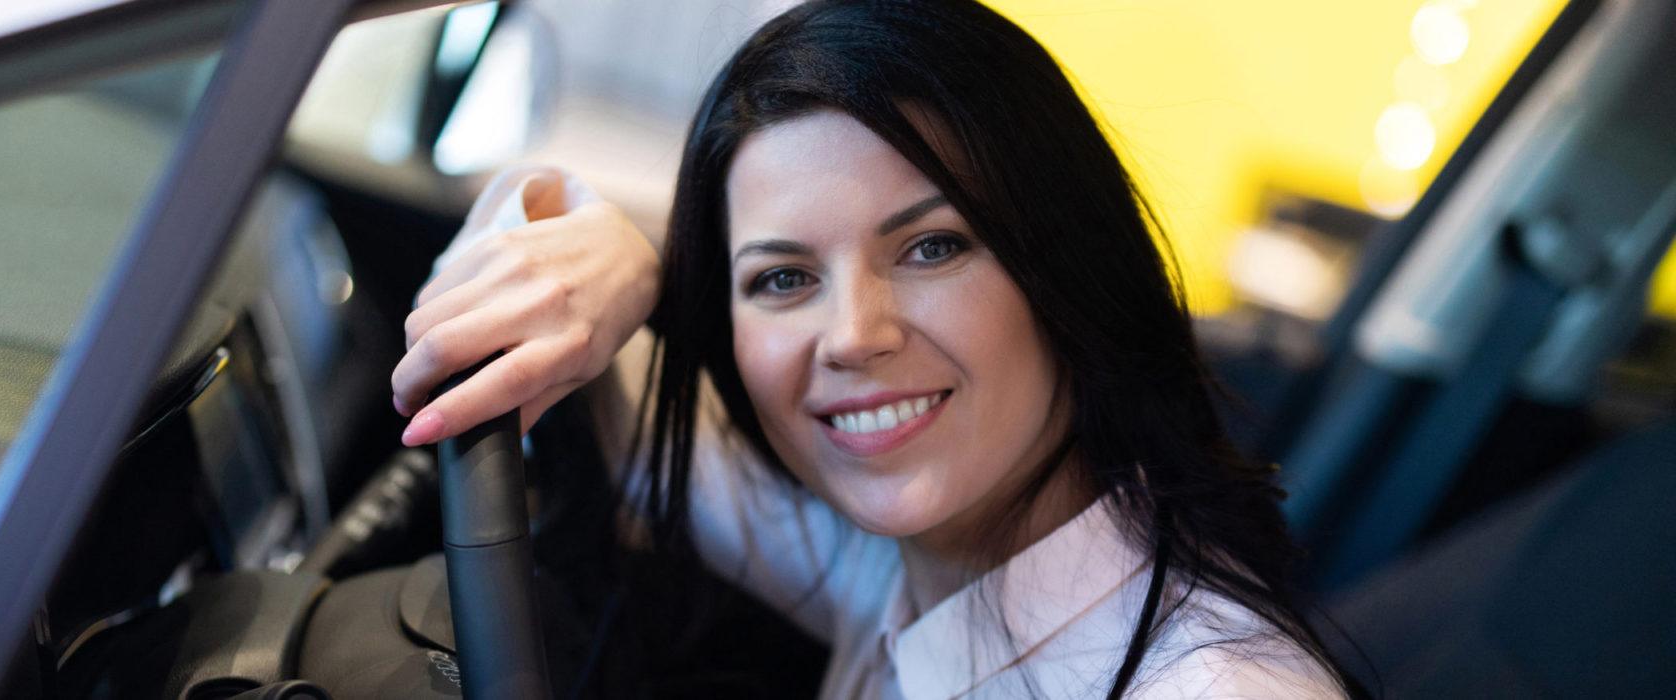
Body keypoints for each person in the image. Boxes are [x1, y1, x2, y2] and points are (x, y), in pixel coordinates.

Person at [391, 0, 1368, 697]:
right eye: (781, 278)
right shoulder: (893, 565)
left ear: (1064, 272)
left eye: (931, 247)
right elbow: (510, 330)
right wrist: (623, 259)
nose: (854, 335)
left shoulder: (1216, 684)